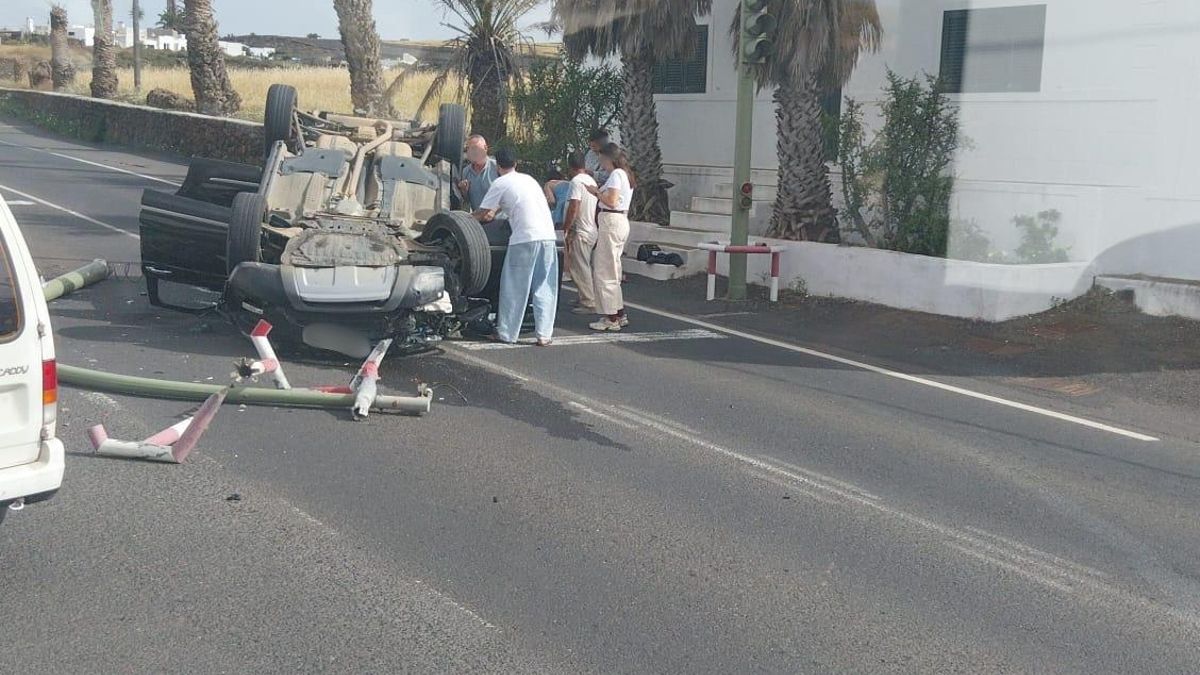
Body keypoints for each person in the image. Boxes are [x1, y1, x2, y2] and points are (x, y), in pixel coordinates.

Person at [473, 148, 559, 346]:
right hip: (548, 236)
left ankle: (506, 333)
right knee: (545, 286)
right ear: (516, 163)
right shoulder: (529, 180)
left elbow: (485, 213)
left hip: (524, 238)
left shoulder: (500, 182)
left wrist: (463, 220)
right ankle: (544, 335)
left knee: (514, 287)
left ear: (497, 166)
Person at [586, 143, 634, 331]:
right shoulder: (625, 175)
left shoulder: (616, 175)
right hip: (620, 221)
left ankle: (610, 317)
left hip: (611, 220)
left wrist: (596, 192)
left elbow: (612, 201)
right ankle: (618, 313)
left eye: (602, 160)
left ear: (608, 159)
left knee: (604, 269)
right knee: (613, 268)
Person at [560, 152, 599, 314]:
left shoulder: (576, 182)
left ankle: (589, 302)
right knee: (583, 264)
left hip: (580, 230)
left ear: (570, 167)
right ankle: (584, 296)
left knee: (580, 267)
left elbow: (574, 206)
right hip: (590, 228)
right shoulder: (590, 180)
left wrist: (567, 227)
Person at [458, 135, 498, 211]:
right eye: (469, 149)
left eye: (475, 148)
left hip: (499, 216)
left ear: (485, 148)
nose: (472, 152)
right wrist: (464, 191)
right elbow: (467, 201)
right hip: (478, 217)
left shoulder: (497, 167)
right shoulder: (466, 172)